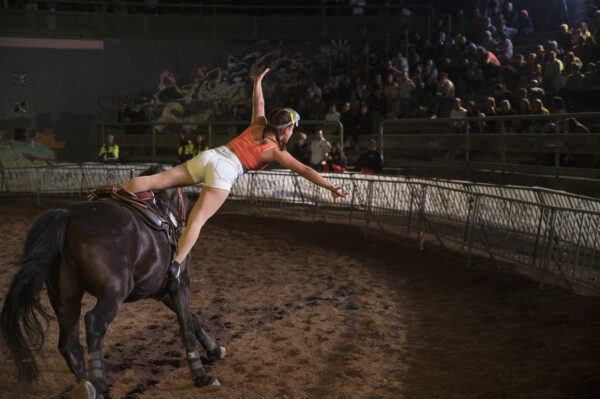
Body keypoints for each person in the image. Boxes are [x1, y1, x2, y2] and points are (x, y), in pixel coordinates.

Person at [120, 68, 347, 274]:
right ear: (286, 129)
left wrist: (257, 82)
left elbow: (259, 103)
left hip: (211, 156)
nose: (291, 134)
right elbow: (305, 169)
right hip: (226, 171)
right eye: (291, 130)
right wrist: (330, 186)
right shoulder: (276, 151)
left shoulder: (258, 124)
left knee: (155, 180)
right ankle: (175, 266)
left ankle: (114, 194)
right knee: (196, 220)